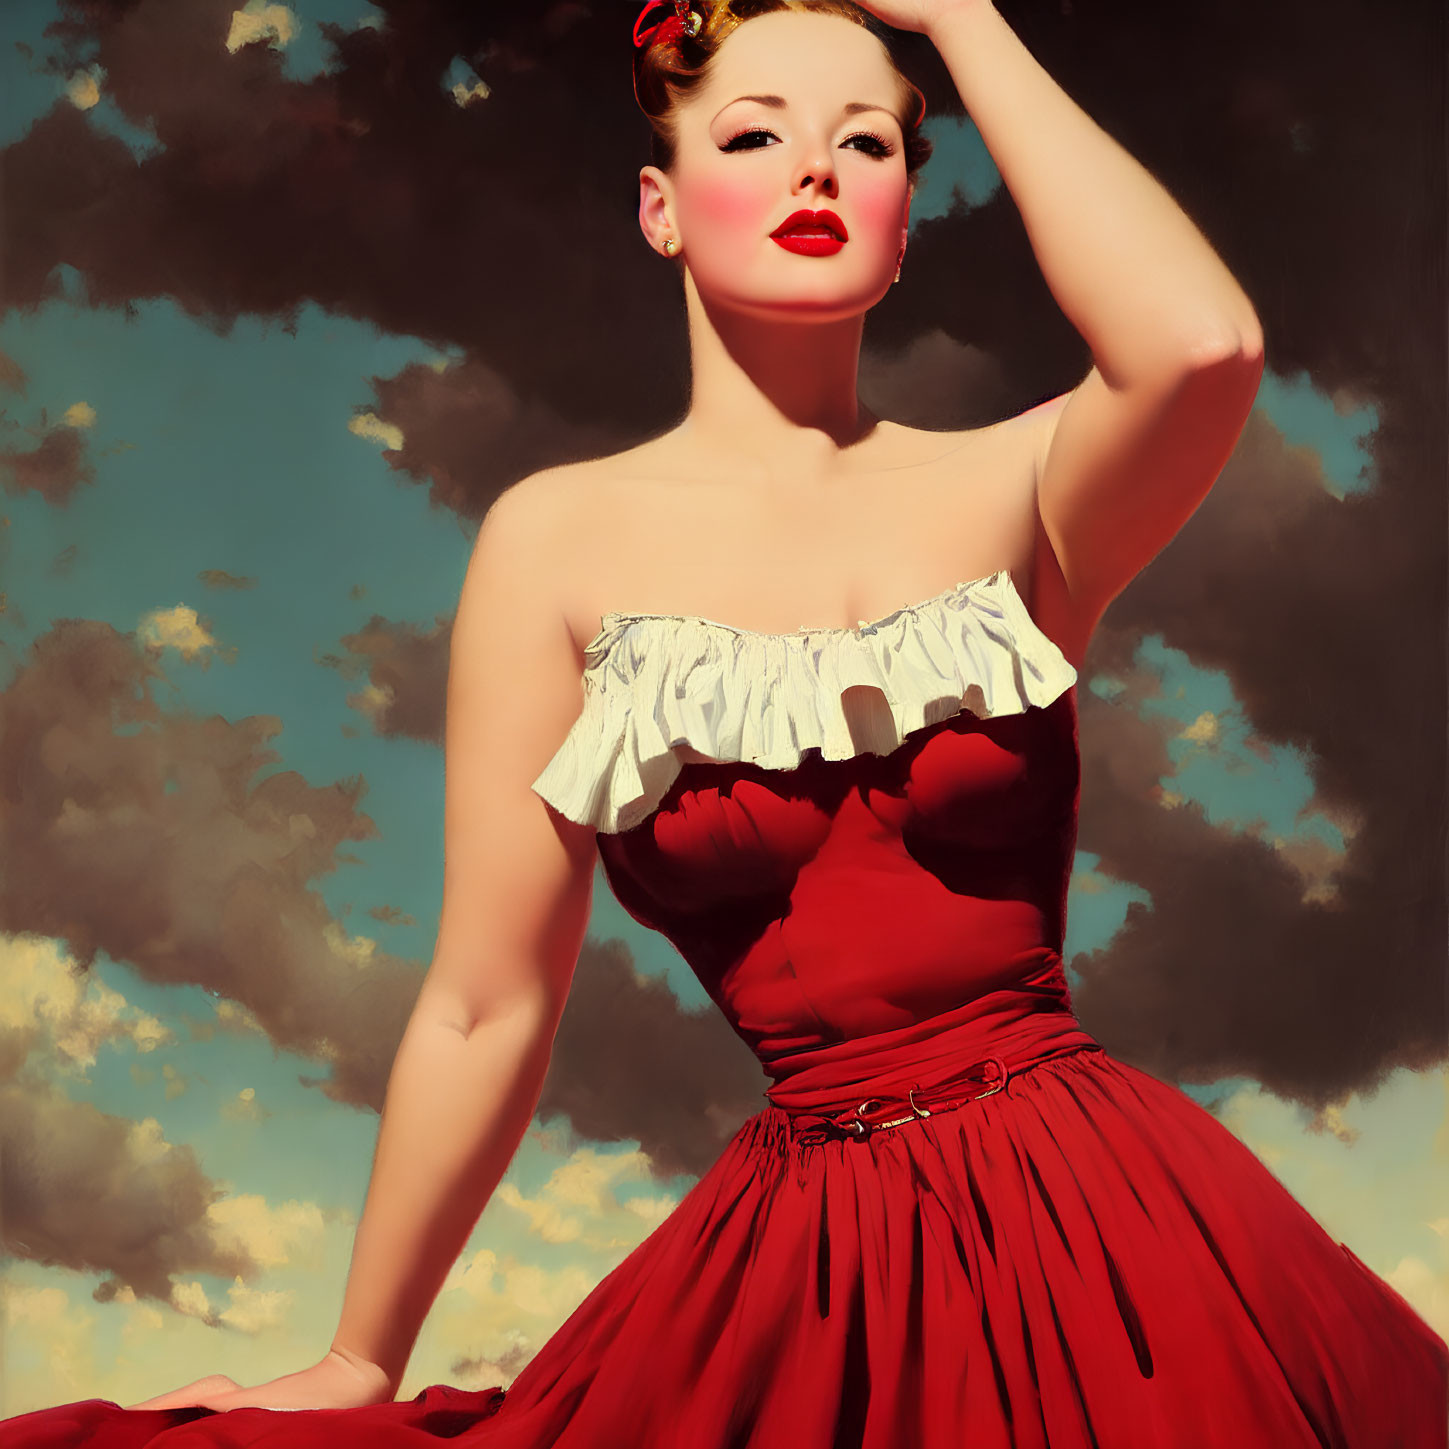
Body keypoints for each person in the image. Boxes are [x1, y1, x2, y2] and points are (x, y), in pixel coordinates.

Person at [4, 1, 1446, 1444]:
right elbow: (485, 997)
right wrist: (360, 1354)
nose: (813, 171)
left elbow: (1202, 344)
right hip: (801, 1275)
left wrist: (958, 16)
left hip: (1110, 1227)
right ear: (660, 205)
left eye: (863, 144)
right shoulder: (552, 542)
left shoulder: (1022, 487)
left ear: (903, 218)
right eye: (754, 133)